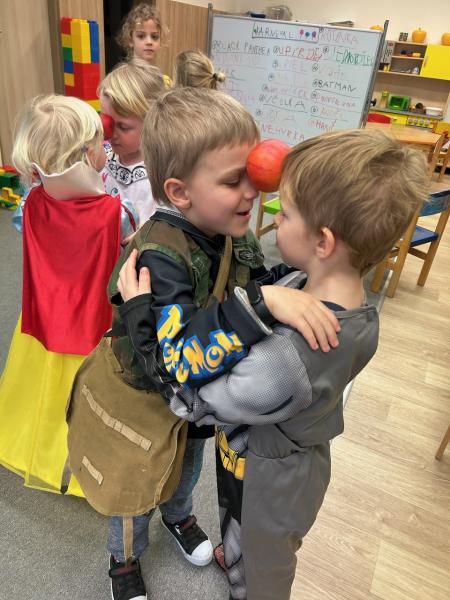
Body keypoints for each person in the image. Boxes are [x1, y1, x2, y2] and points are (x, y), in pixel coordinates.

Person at [117, 128, 429, 599]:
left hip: (269, 482)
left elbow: (191, 402)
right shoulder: (341, 301)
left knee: (265, 568)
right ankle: (237, 557)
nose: (274, 217)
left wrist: (141, 315)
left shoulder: (286, 361)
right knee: (242, 535)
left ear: (323, 241)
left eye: (285, 213)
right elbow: (268, 292)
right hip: (274, 458)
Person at [104, 86, 340, 600]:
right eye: (234, 181)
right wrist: (262, 302)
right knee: (136, 482)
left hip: (197, 405)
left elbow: (250, 280)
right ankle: (124, 558)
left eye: (252, 174)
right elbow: (178, 358)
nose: (252, 192)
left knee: (187, 466)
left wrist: (303, 279)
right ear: (180, 192)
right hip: (146, 395)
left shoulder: (234, 231)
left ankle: (179, 516)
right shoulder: (161, 255)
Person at [0, 95, 134, 496]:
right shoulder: (116, 213)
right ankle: (82, 467)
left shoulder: (30, 204)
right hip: (91, 322)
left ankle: (44, 457)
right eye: (100, 143)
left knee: (45, 391)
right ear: (89, 155)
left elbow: (27, 228)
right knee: (88, 396)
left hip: (44, 314)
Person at [99, 58, 166, 230]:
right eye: (107, 122)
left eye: (123, 127)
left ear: (152, 124)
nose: (110, 133)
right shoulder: (101, 155)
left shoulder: (157, 176)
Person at [117, 2, 172, 87]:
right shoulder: (120, 81)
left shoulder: (166, 83)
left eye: (154, 37)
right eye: (141, 36)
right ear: (131, 40)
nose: (149, 42)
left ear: (160, 41)